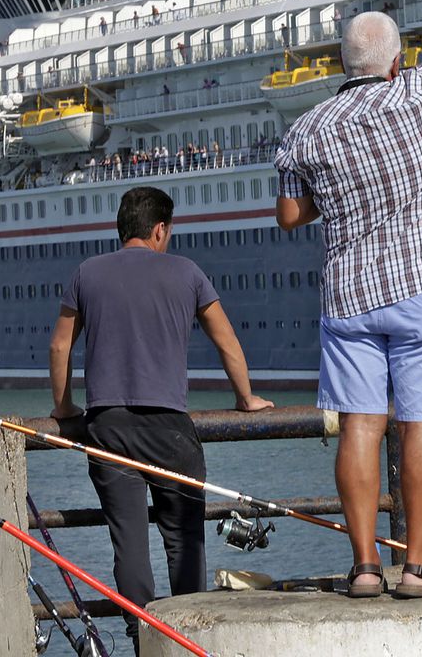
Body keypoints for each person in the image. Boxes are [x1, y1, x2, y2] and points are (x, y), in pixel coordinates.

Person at [274, 0, 422, 599]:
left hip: (349, 295)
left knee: (361, 425)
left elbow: (289, 216)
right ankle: (417, 568)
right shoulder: (418, 92)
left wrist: (333, 197)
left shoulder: (304, 131)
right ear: (396, 61)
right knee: (421, 423)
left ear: (345, 63)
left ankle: (365, 565)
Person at [48, 186, 273, 654]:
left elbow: (60, 346)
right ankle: (185, 637)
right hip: (170, 428)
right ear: (159, 229)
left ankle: (140, 637)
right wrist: (246, 398)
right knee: (182, 537)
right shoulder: (187, 273)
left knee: (128, 541)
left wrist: (66, 408)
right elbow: (227, 340)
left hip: (107, 426)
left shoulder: (87, 273)